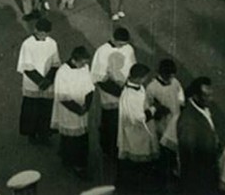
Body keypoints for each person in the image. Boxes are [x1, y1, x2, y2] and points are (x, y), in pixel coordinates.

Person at [91, 27, 136, 158]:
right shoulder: (102, 51)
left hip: (126, 89)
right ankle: (108, 150)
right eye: (120, 44)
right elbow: (98, 78)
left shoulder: (128, 48)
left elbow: (132, 67)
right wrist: (120, 91)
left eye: (125, 44)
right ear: (113, 39)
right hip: (110, 93)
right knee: (110, 123)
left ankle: (123, 147)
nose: (123, 47)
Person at [51, 46, 94, 179]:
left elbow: (90, 87)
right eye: (82, 62)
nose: (85, 65)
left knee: (79, 137)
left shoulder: (84, 67)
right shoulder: (63, 72)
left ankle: (67, 157)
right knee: (74, 139)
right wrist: (77, 109)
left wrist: (87, 105)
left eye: (86, 63)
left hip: (82, 107)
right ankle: (78, 166)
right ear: (74, 60)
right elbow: (62, 95)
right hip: (69, 110)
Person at [116, 63, 160, 193]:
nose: (145, 80)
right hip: (136, 133)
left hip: (140, 131)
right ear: (139, 78)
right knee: (136, 164)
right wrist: (154, 109)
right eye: (144, 77)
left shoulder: (138, 88)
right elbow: (139, 118)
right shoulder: (130, 95)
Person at [17, 19, 61, 146]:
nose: (43, 36)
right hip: (33, 82)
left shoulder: (52, 43)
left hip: (47, 82)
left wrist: (48, 80)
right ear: (35, 30)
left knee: (46, 110)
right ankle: (32, 134)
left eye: (46, 34)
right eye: (41, 33)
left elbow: (55, 63)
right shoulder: (27, 44)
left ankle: (44, 134)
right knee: (32, 111)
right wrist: (40, 82)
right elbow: (27, 66)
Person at [177, 77, 220, 195]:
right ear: (195, 96)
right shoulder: (188, 121)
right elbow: (188, 157)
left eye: (211, 95)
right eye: (206, 96)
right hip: (200, 178)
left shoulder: (202, 108)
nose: (211, 99)